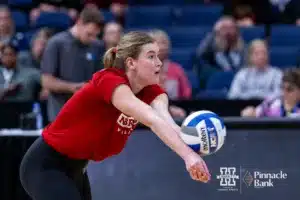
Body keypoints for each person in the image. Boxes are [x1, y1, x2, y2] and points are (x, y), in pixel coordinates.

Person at [19, 31, 211, 200]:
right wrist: (187, 157)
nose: (159, 62)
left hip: (77, 169)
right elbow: (152, 119)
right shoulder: (109, 80)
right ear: (131, 62)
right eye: (151, 56)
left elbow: (165, 120)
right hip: (46, 165)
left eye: (158, 56)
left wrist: (190, 146)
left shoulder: (152, 91)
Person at [41, 6, 105, 122]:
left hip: (89, 114)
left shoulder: (97, 46)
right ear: (79, 23)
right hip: (61, 114)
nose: (92, 39)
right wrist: (73, 87)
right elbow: (47, 81)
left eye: (95, 35)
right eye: (89, 34)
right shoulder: (56, 43)